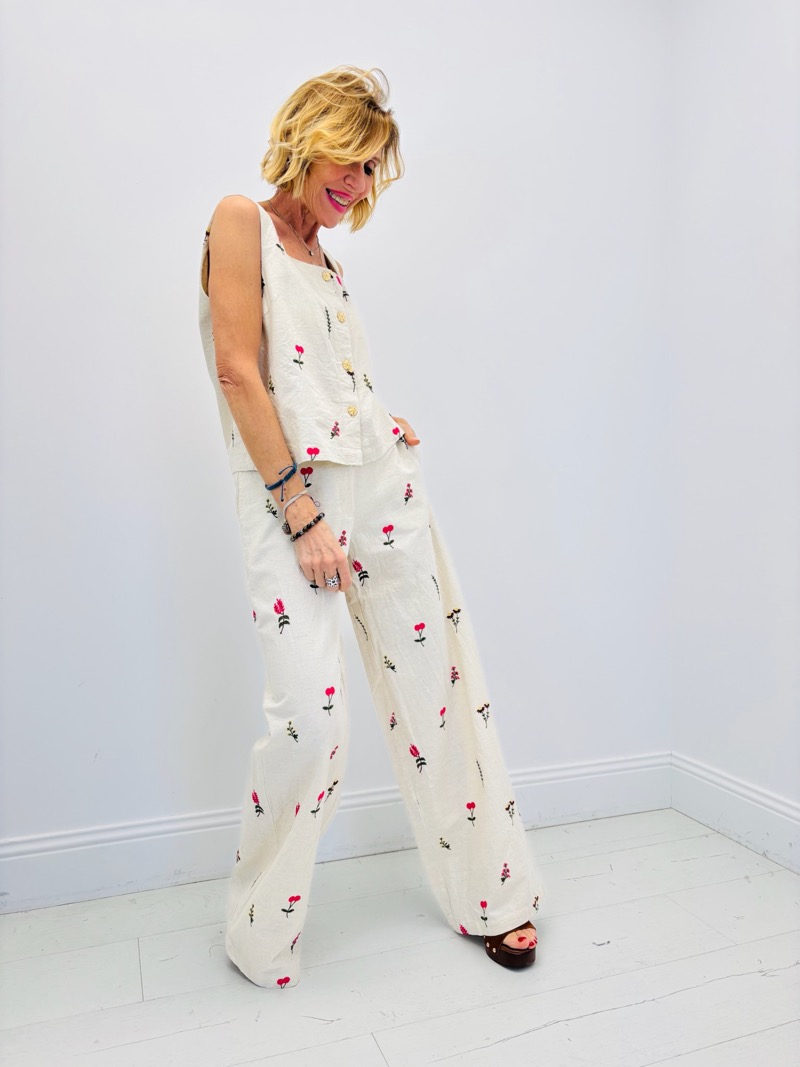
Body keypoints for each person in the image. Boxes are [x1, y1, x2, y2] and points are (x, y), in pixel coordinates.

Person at [198, 66, 546, 989]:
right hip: (294, 504)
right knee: (310, 724)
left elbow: (318, 380)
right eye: (345, 161)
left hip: (379, 486)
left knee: (441, 687)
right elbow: (239, 371)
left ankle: (494, 895)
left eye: (369, 170)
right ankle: (258, 930)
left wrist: (378, 424)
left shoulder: (327, 259)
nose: (354, 185)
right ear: (306, 141)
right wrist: (300, 507)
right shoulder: (241, 221)